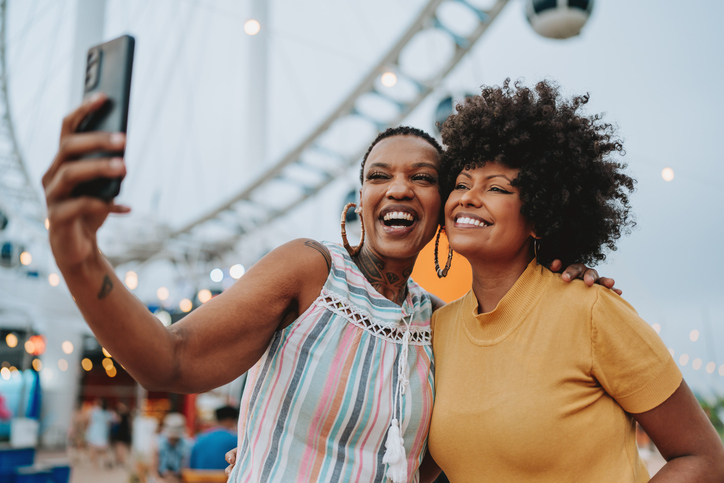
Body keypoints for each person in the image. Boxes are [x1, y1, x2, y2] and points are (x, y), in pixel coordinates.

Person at [44, 95, 606, 483]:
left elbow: (441, 457)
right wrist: (77, 256)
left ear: (443, 211)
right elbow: (171, 360)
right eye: (378, 175)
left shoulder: (437, 323)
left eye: (423, 178)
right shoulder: (310, 272)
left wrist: (556, 274)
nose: (398, 188)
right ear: (359, 200)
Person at [427, 79, 724, 481]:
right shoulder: (437, 330)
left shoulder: (591, 310)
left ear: (540, 217)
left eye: (496, 187)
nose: (468, 197)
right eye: (461, 184)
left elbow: (704, 457)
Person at [189, 405, 239, 470]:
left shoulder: (199, 437)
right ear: (229, 420)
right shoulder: (235, 439)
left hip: (199, 478)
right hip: (224, 478)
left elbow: (192, 465)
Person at [153, 412, 193, 483]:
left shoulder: (188, 445)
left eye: (176, 438)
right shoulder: (158, 443)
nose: (173, 440)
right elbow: (154, 468)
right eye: (171, 437)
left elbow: (187, 470)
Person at [84, 398, 113, 468]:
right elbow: (110, 422)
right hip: (102, 435)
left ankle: (95, 465)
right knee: (102, 451)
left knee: (93, 451)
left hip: (94, 434)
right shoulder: (107, 413)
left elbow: (88, 420)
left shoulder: (95, 411)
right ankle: (107, 461)